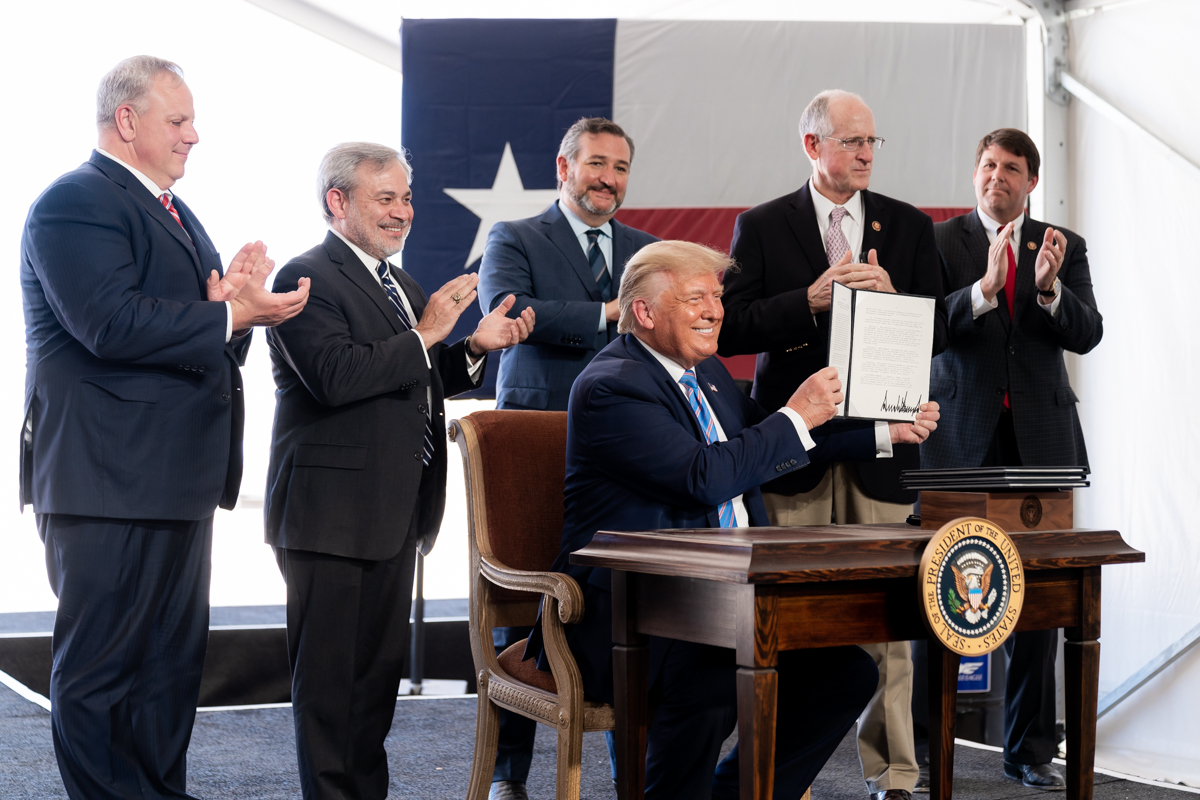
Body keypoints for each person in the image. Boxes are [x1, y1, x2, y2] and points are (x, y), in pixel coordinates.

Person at [529, 239, 940, 799]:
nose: (715, 310)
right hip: (637, 612)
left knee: (846, 674)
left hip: (724, 603)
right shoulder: (612, 386)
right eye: (696, 297)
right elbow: (706, 475)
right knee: (716, 674)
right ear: (645, 313)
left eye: (718, 296)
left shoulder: (711, 376)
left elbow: (767, 447)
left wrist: (881, 432)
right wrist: (798, 413)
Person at [19, 55, 309, 800]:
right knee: (103, 667)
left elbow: (197, 334)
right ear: (128, 122)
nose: (193, 136)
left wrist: (232, 310)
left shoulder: (173, 212)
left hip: (173, 480)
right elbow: (110, 326)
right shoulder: (75, 202)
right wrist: (228, 312)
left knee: (168, 667)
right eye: (177, 121)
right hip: (108, 482)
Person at [264, 142, 534, 800]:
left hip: (392, 512)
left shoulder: (399, 284)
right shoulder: (305, 278)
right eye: (386, 198)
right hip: (328, 517)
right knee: (331, 690)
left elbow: (417, 377)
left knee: (373, 684)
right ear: (339, 202)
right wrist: (426, 333)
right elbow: (335, 377)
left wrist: (470, 346)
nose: (403, 211)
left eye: (407, 197)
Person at [718, 89, 948, 800]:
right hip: (798, 447)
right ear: (813, 146)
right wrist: (807, 303)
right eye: (852, 142)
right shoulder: (760, 226)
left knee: (887, 624)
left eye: (874, 143)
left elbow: (941, 333)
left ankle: (896, 776)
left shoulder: (908, 227)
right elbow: (727, 331)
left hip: (884, 445)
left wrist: (891, 303)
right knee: (789, 622)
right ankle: (787, 774)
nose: (867, 155)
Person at [915, 128, 1103, 791]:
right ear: (975, 174)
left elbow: (1088, 333)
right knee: (938, 591)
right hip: (957, 437)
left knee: (1041, 602)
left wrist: (1049, 291)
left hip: (1041, 442)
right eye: (989, 164)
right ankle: (927, 753)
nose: (998, 175)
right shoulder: (938, 243)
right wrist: (984, 291)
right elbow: (926, 328)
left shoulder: (1061, 245)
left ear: (1031, 182)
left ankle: (1027, 752)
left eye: (1013, 168)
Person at [477, 116, 658, 799]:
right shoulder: (514, 236)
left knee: (622, 596)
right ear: (564, 167)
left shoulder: (646, 249)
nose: (608, 178)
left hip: (625, 447)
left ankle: (627, 770)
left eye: (620, 167)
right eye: (596, 163)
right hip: (535, 438)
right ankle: (507, 774)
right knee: (531, 595)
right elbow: (511, 308)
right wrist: (612, 314)